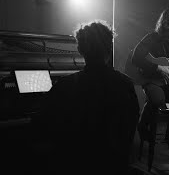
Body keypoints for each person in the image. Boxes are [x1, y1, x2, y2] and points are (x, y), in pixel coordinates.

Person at [32, 20, 140, 175]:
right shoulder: (126, 84)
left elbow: (42, 126)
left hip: (74, 165)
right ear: (109, 48)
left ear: (80, 49)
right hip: (114, 165)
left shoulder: (63, 86)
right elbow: (129, 131)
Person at [131, 8, 169, 152]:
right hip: (151, 78)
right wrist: (158, 68)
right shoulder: (151, 38)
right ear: (165, 24)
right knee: (157, 99)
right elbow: (136, 58)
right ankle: (142, 124)